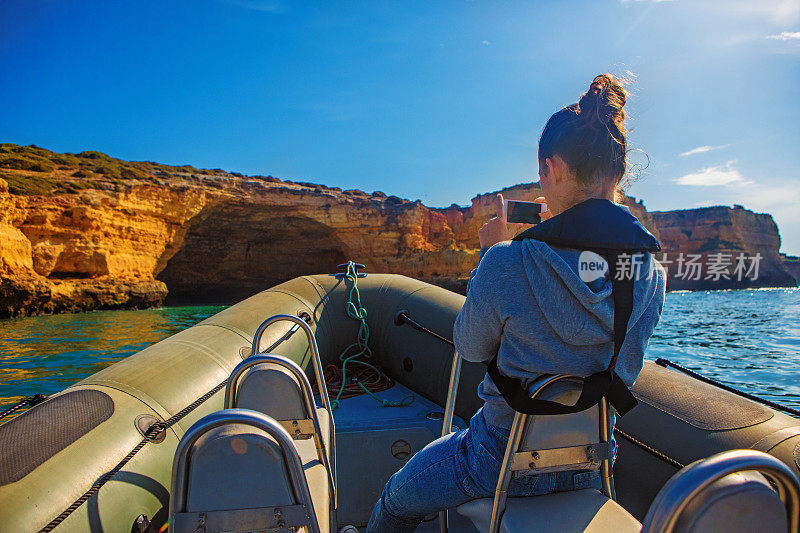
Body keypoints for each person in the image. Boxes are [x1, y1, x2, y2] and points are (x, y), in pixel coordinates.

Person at [367, 74, 667, 533]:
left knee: (395, 500)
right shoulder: (649, 272)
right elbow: (624, 363)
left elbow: (470, 347)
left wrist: (492, 254)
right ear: (617, 175)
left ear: (553, 170)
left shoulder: (507, 262)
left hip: (497, 458)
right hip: (592, 462)